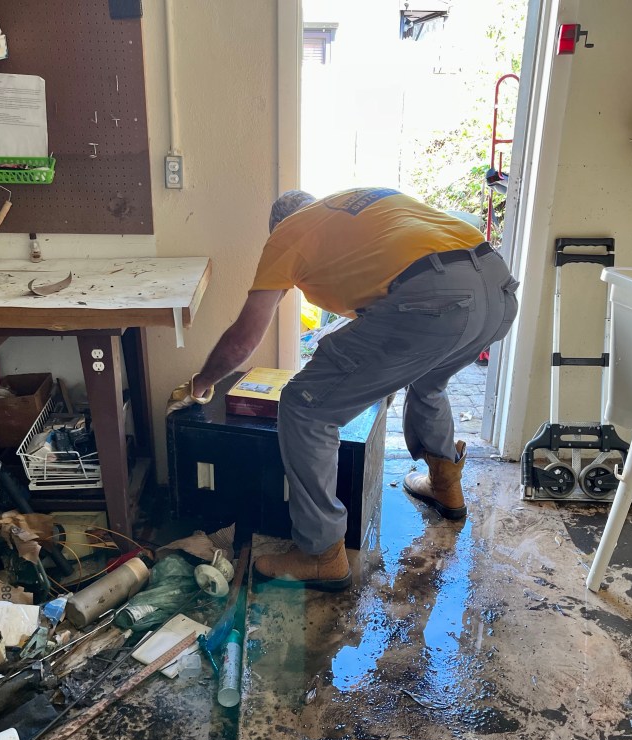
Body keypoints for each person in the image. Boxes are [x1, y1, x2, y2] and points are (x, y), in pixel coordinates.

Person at [166, 188, 520, 591]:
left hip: (434, 299)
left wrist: (202, 383)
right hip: (498, 292)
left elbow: (243, 340)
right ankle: (445, 485)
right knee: (429, 380)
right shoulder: (359, 203)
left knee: (305, 406)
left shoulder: (288, 233)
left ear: (277, 225)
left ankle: (321, 554)